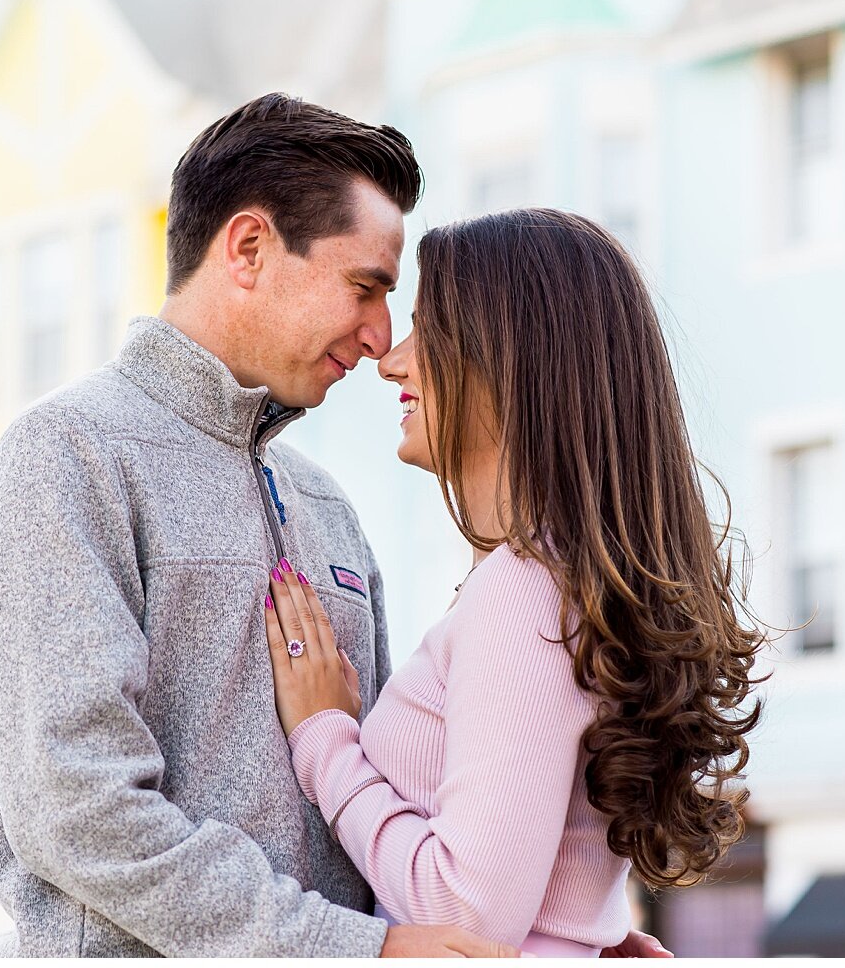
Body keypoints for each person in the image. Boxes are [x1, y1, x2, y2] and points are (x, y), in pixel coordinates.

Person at [0, 94, 669, 956]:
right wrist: (349, 950)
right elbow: (76, 809)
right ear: (251, 249)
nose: (381, 338)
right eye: (365, 287)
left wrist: (567, 941)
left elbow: (414, 801)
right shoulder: (69, 456)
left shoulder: (328, 509)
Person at [263, 208, 765, 956]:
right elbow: (543, 854)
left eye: (427, 328)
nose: (392, 359)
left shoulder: (524, 588)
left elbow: (464, 916)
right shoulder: (562, 581)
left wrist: (325, 742)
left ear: (509, 362)